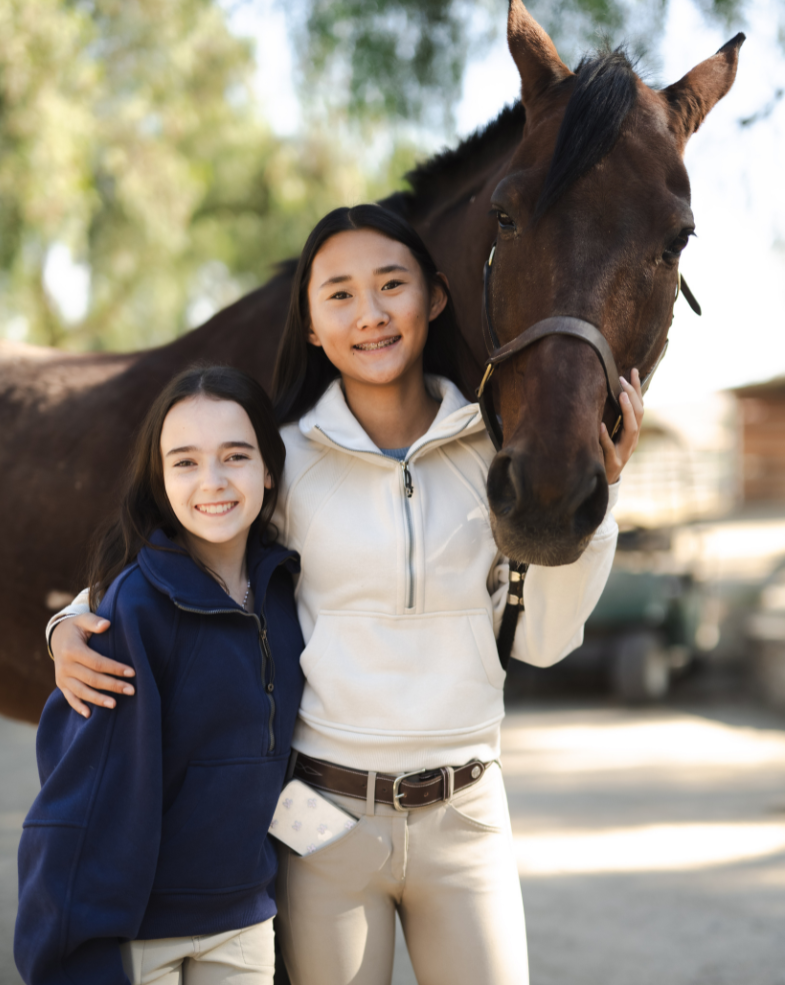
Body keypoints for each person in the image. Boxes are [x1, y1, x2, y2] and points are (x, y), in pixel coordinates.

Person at [47, 204, 644, 985]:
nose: (369, 314)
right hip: (322, 822)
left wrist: (597, 504)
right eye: (338, 294)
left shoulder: (493, 454)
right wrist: (69, 621)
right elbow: (175, 564)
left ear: (432, 298)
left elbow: (540, 640)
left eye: (390, 284)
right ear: (309, 326)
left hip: (465, 816)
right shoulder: (282, 460)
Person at [16, 366, 305, 985]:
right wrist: (73, 952)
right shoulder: (132, 612)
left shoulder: (287, 592)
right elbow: (83, 802)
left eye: (236, 456)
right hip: (140, 934)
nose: (213, 482)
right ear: (159, 479)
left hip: (244, 923)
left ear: (269, 469)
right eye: (185, 463)